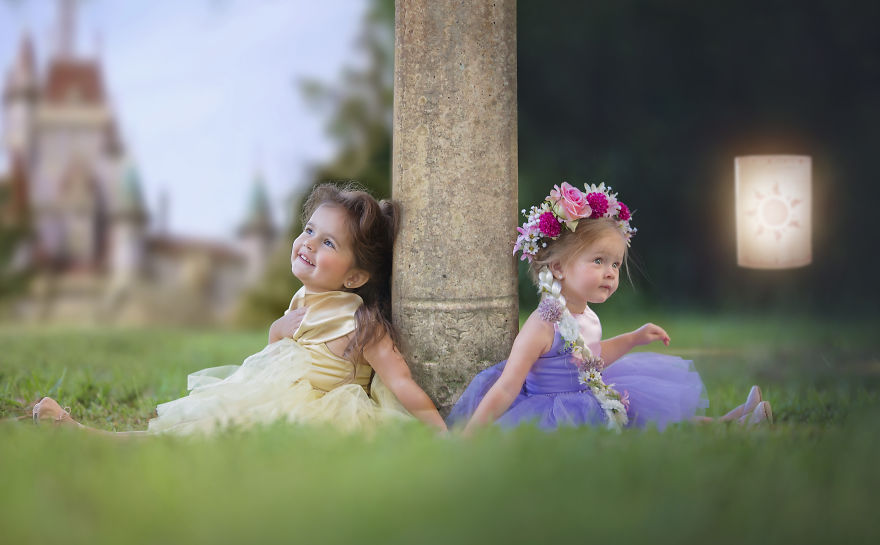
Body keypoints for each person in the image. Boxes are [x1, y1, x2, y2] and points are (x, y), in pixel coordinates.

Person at [33, 183, 447, 435]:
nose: (308, 243)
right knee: (202, 428)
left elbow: (403, 383)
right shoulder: (302, 301)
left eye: (328, 243)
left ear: (355, 278)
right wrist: (278, 330)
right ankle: (83, 433)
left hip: (321, 417)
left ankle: (83, 434)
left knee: (209, 438)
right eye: (308, 231)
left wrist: (441, 432)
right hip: (277, 400)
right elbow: (274, 359)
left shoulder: (361, 323)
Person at [448, 181, 772, 434]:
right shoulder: (543, 324)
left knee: (647, 416)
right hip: (553, 410)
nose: (610, 272)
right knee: (640, 425)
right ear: (558, 268)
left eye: (615, 264)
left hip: (588, 390)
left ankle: (731, 422)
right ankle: (733, 425)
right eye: (599, 261)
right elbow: (507, 384)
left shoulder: (585, 314)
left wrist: (634, 337)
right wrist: (469, 436)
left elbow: (595, 355)